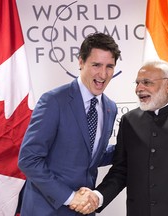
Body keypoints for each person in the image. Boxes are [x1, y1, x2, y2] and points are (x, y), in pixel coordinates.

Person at [75, 59, 168, 216]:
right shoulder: (129, 121)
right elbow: (121, 170)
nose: (139, 89)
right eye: (137, 83)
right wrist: (98, 196)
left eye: (147, 82)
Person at [17, 32, 121, 216]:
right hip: (45, 210)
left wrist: (133, 147)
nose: (103, 74)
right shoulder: (54, 101)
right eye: (96, 65)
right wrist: (70, 197)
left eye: (109, 66)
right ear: (81, 62)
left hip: (83, 211)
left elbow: (91, 155)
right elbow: (29, 159)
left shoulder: (110, 108)